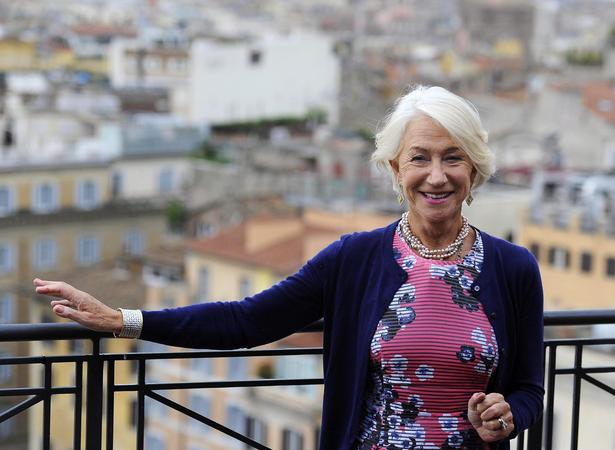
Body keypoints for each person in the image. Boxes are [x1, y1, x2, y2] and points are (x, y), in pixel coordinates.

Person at [34, 85, 544, 450]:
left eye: (452, 158)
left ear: (474, 167)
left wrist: (507, 417)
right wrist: (124, 320)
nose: (436, 176)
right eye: (419, 158)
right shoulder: (354, 258)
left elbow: (528, 391)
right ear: (395, 169)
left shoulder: (513, 267)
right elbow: (248, 320)